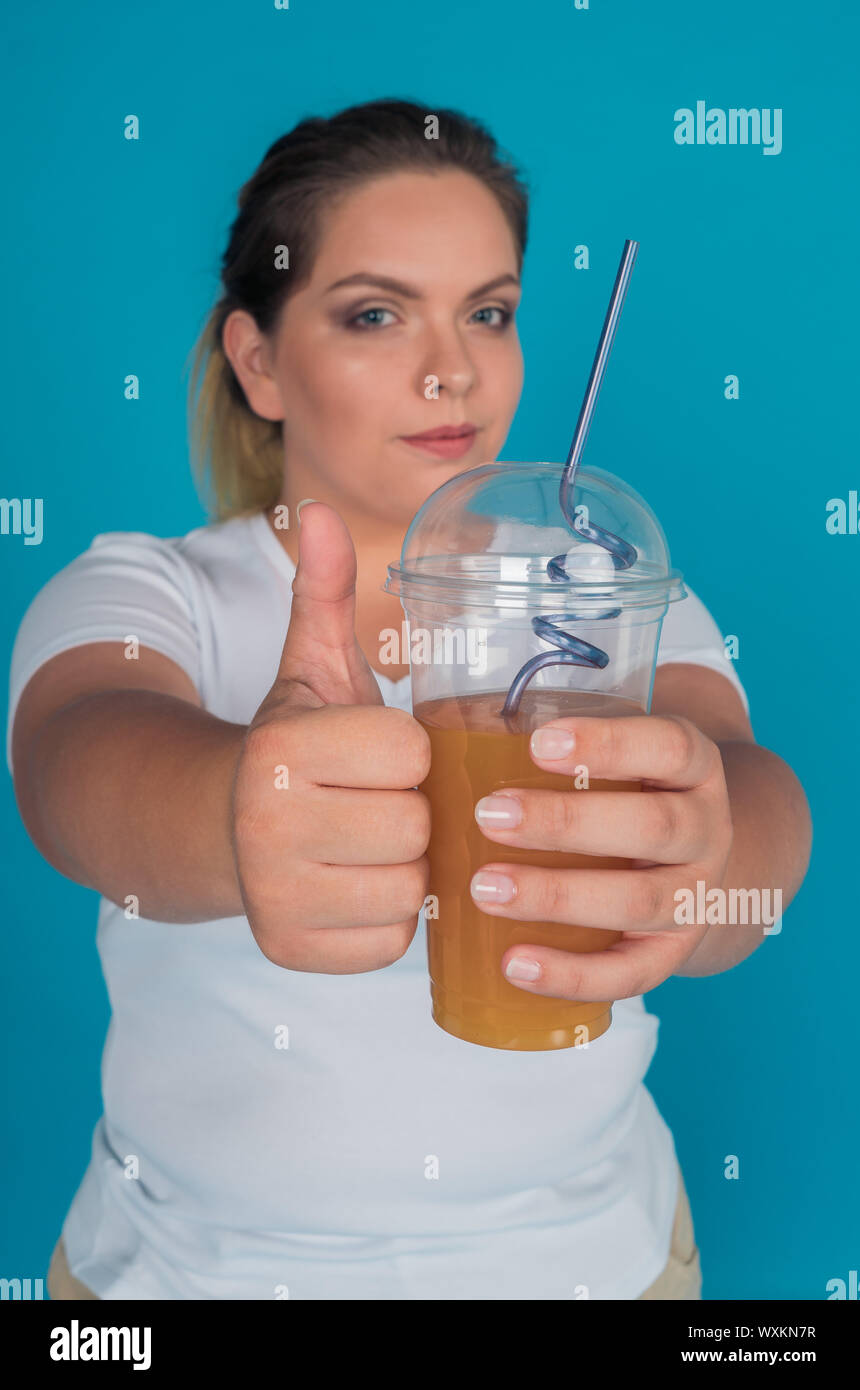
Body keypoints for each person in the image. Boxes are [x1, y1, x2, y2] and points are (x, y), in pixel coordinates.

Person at [8, 98, 812, 1301]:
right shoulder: (148, 587)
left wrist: (703, 859)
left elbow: (743, 789)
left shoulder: (595, 591)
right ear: (259, 360)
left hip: (591, 1268)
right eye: (376, 313)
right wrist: (237, 800)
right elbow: (78, 771)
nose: (455, 367)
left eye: (488, 311)